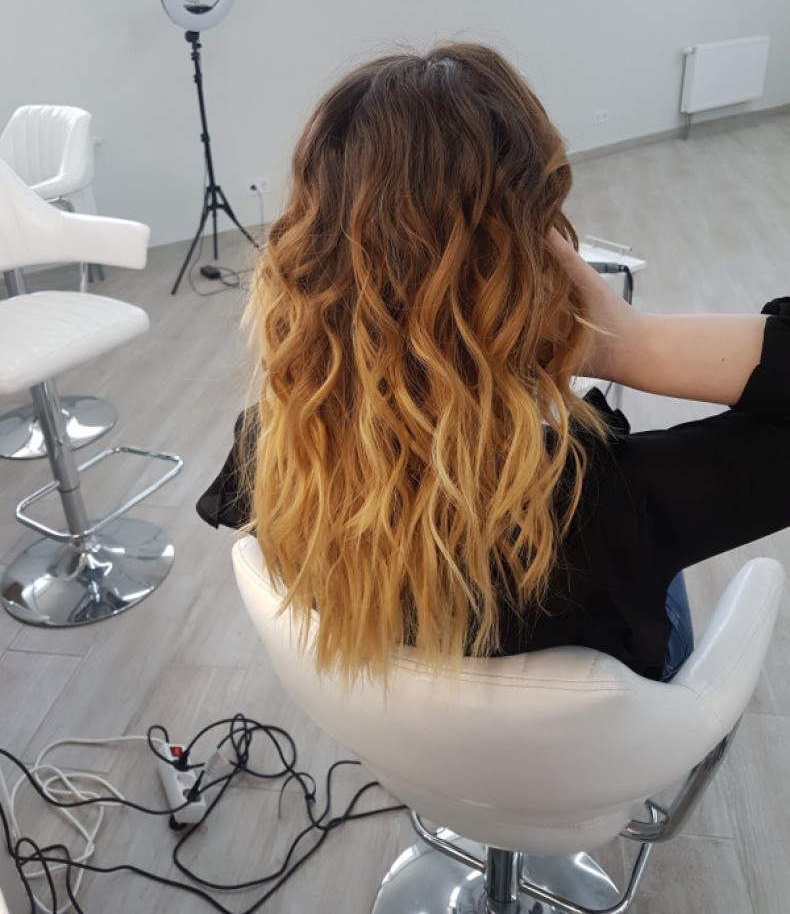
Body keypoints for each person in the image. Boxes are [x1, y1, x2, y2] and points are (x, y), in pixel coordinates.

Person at [197, 42, 790, 683]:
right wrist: (637, 345)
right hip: (605, 732)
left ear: (308, 254)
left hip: (392, 728)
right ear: (530, 258)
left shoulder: (267, 456)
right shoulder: (612, 507)